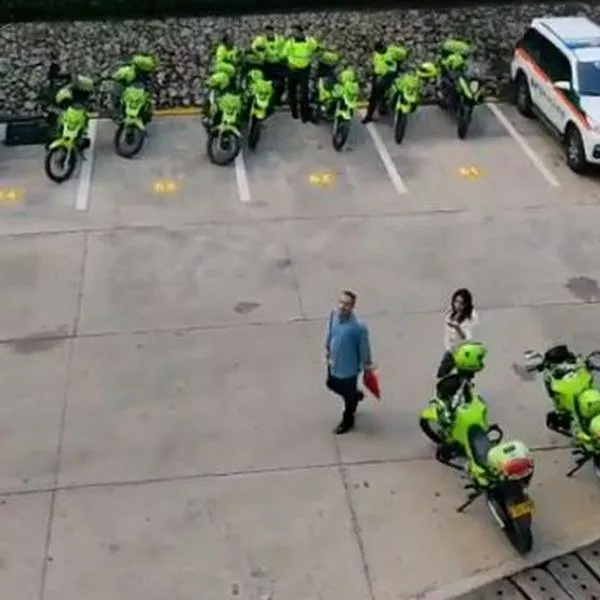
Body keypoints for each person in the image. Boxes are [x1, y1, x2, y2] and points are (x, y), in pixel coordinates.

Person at [325, 290, 375, 434]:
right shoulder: (333, 315)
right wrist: (327, 347)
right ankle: (354, 395)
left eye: (347, 304)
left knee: (348, 398)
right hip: (333, 363)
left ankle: (348, 419)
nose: (342, 306)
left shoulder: (358, 327)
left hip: (349, 369)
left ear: (352, 307)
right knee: (331, 384)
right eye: (341, 302)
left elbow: (364, 348)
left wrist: (367, 365)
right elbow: (330, 333)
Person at [362, 41, 409, 124]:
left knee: (390, 92)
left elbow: (404, 54)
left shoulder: (393, 51)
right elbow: (374, 64)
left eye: (381, 50)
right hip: (378, 76)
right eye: (378, 51)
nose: (379, 52)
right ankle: (369, 116)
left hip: (390, 75)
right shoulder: (376, 54)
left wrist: (400, 64)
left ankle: (388, 107)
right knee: (374, 97)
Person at [438, 288, 478, 377]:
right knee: (442, 375)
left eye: (462, 303)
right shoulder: (451, 312)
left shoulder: (468, 318)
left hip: (461, 352)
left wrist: (457, 328)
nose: (458, 305)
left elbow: (466, 337)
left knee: (461, 379)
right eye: (456, 301)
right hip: (450, 350)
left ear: (466, 304)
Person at [284, 24, 319, 122]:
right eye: (292, 32)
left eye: (295, 32)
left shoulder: (309, 41)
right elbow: (284, 54)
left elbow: (316, 48)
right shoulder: (290, 42)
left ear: (300, 32)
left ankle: (305, 116)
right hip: (292, 70)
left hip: (304, 70)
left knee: (304, 94)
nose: (293, 34)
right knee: (292, 92)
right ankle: (294, 112)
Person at [49, 73, 95, 147]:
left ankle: (78, 138)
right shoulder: (68, 91)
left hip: (74, 110)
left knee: (78, 122)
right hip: (70, 109)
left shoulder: (73, 91)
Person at [111, 53, 157, 122]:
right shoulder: (130, 70)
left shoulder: (130, 70)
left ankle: (118, 113)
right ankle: (118, 113)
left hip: (136, 94)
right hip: (132, 93)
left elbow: (115, 77)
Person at [251, 24, 286, 105]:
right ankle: (270, 100)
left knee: (281, 84)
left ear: (273, 31)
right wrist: (260, 54)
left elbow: (284, 48)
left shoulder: (280, 39)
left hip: (278, 64)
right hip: (267, 64)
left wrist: (281, 56)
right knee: (268, 83)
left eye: (270, 31)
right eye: (267, 31)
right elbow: (254, 47)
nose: (268, 33)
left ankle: (278, 100)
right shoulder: (261, 39)